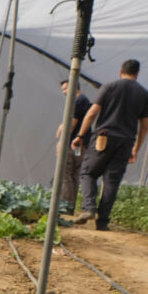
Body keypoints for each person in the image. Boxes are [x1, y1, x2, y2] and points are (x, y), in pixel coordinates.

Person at [71, 59, 148, 231]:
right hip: (126, 141)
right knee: (112, 182)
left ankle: (89, 208)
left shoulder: (109, 87)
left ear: (120, 71)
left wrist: (80, 135)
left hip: (103, 137)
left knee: (87, 172)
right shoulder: (144, 94)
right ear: (137, 74)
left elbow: (92, 112)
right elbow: (145, 126)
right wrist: (136, 148)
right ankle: (103, 222)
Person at [56, 80, 92, 215]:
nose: (64, 92)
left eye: (65, 89)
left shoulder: (78, 101)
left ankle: (65, 206)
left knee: (65, 173)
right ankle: (69, 206)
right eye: (63, 90)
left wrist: (62, 141)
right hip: (79, 145)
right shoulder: (83, 100)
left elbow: (72, 123)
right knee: (74, 174)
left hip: (72, 144)